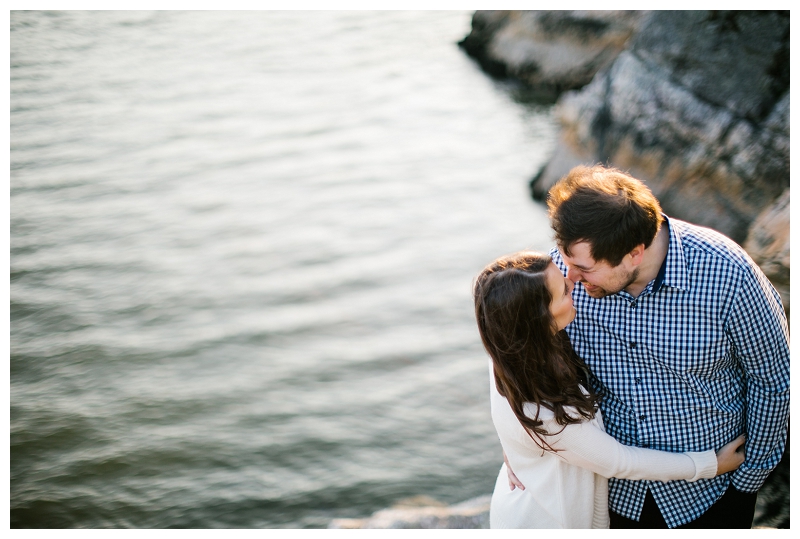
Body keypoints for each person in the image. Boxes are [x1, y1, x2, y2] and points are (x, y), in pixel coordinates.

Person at [504, 165, 789, 528]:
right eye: (565, 258)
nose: (570, 275)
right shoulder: (564, 274)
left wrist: (748, 481)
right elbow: (517, 352)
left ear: (634, 254)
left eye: (585, 269)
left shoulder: (728, 273)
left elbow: (774, 380)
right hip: (611, 495)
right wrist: (515, 442)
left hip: (711, 496)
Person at [474, 250, 745, 529]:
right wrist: (710, 465)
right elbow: (621, 461)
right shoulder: (544, 412)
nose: (572, 282)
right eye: (563, 292)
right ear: (540, 321)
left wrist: (516, 449)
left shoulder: (506, 348)